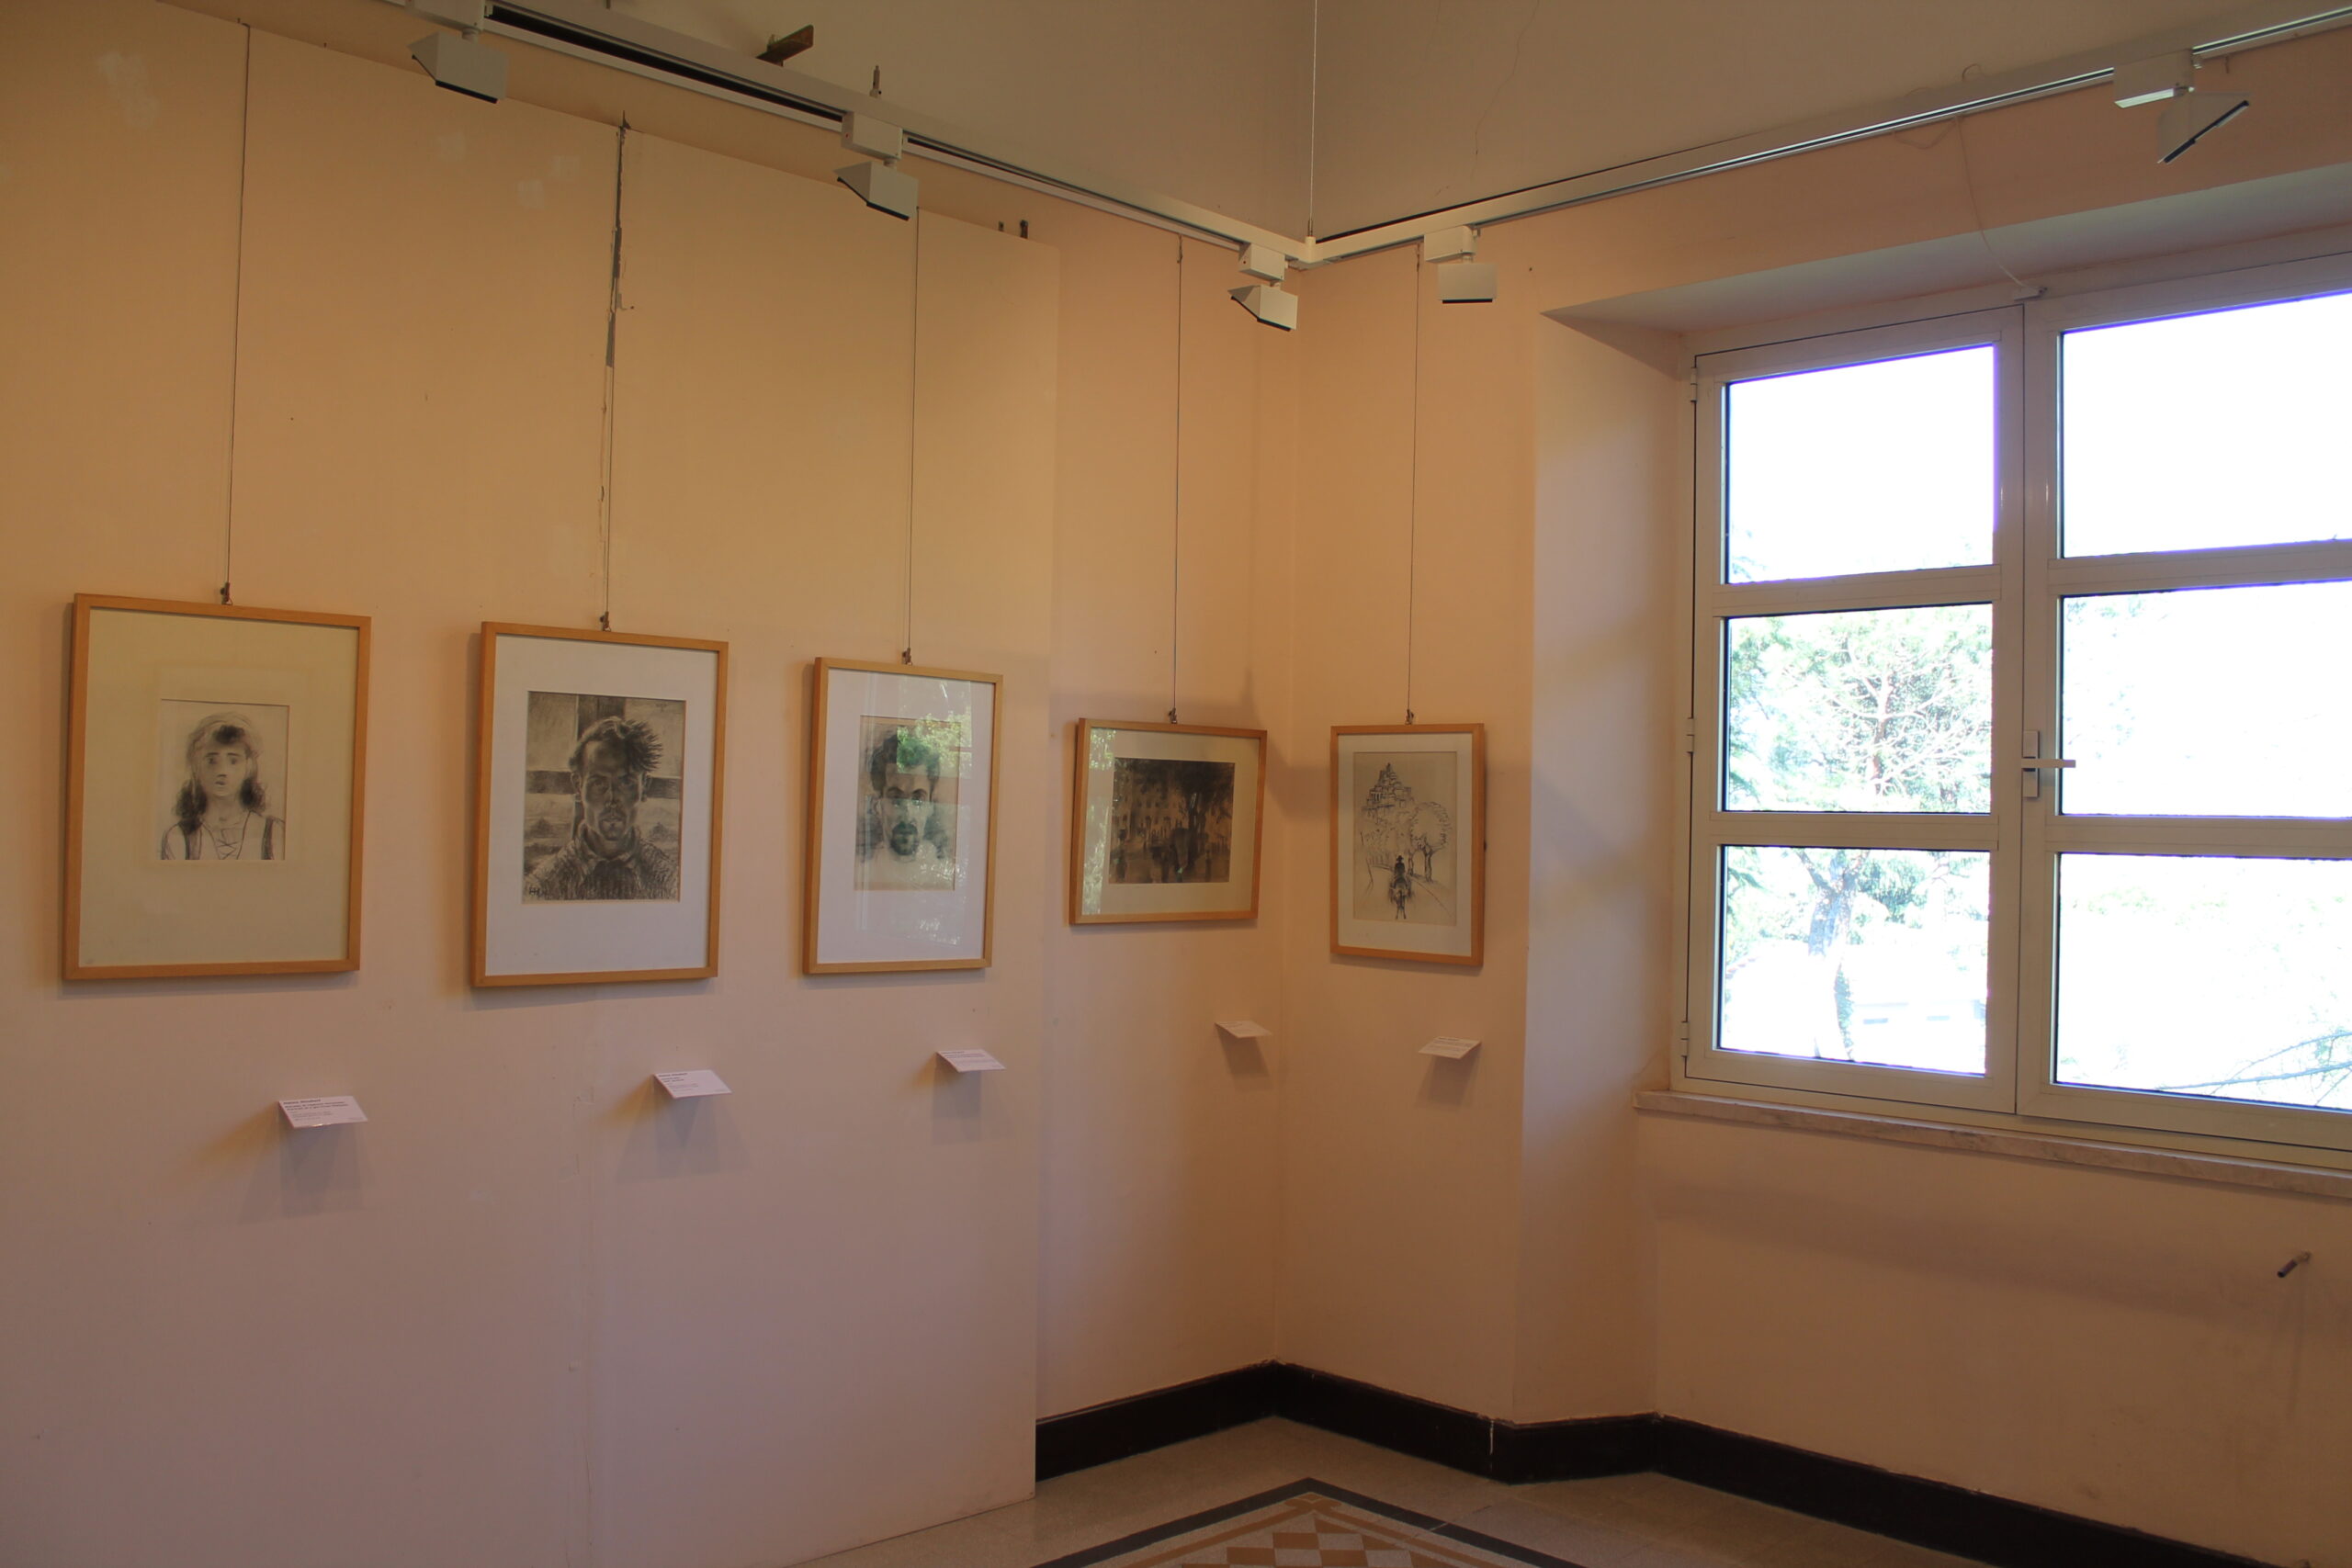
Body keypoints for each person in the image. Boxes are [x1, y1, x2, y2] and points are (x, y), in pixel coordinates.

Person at [524, 716, 678, 900]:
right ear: (578, 786)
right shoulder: (543, 885)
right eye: (598, 783)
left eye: (626, 783)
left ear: (644, 786)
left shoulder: (670, 881)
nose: (612, 799)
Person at [162, 712, 285, 861]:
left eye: (233, 761)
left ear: (249, 767)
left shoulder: (274, 832)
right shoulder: (179, 837)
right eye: (211, 761)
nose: (222, 771)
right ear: (196, 768)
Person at [858, 724, 955, 891]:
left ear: (931, 806)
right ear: (877, 805)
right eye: (896, 799)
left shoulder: (945, 875)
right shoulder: (862, 872)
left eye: (917, 799)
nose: (907, 815)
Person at [1389, 854, 1413, 919]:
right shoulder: (1403, 864)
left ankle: (1392, 893)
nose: (1400, 860)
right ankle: (1408, 891)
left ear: (1398, 860)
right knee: (1407, 882)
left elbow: (1395, 871)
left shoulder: (1396, 865)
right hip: (1402, 876)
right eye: (1400, 860)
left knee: (1392, 883)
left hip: (1397, 876)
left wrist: (1396, 874)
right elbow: (1404, 871)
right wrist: (1402, 873)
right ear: (1401, 860)